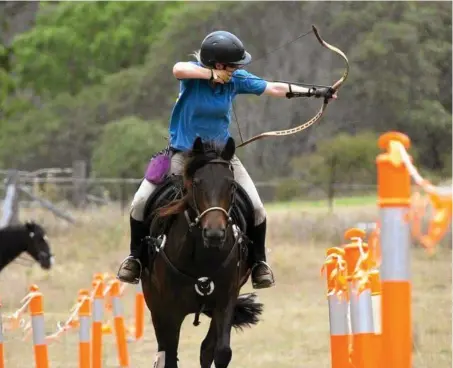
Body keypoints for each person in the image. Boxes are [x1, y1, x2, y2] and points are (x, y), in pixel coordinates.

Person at [116, 30, 337, 287]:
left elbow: (275, 88)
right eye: (232, 65)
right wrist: (211, 75)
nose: (237, 69)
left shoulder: (236, 80)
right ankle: (136, 258)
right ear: (218, 65)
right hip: (183, 154)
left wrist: (318, 92)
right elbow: (178, 69)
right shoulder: (192, 77)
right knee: (140, 202)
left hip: (221, 156)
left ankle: (258, 263)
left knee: (256, 208)